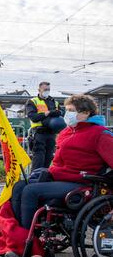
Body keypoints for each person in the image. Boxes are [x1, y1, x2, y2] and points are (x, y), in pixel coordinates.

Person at [12, 94, 113, 230]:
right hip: (59, 177)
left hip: (80, 182)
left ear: (86, 113)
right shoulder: (67, 132)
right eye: (67, 110)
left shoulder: (100, 134)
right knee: (19, 186)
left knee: (31, 191)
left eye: (71, 110)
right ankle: (17, 233)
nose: (67, 114)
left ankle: (28, 241)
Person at [25, 82, 64, 171]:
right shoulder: (32, 101)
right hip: (39, 133)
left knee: (48, 158)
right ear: (39, 90)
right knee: (39, 159)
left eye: (48, 89)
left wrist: (58, 112)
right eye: (45, 89)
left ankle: (43, 178)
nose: (47, 91)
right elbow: (33, 117)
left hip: (51, 133)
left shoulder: (54, 101)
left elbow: (62, 112)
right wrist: (47, 113)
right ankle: (34, 179)